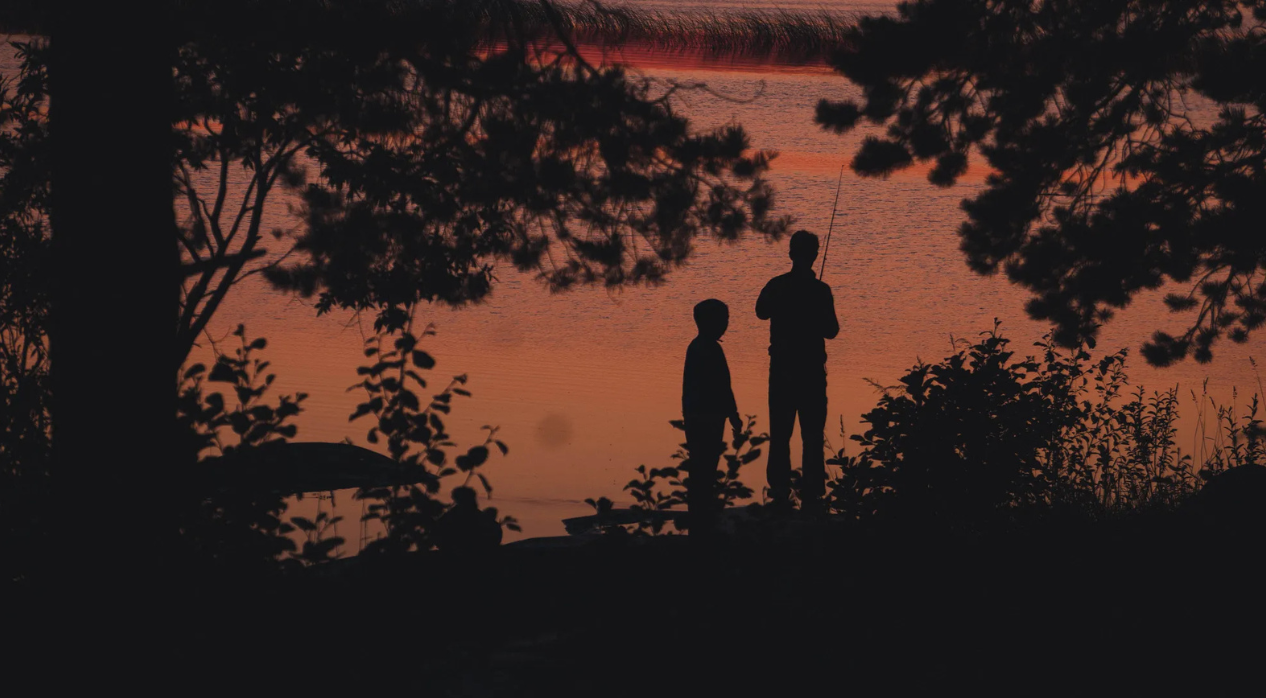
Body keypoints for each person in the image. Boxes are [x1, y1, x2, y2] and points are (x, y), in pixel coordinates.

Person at [756, 230, 839, 511]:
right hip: (811, 373)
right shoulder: (820, 291)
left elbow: (760, 312)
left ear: (791, 254)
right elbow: (832, 331)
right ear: (814, 256)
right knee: (812, 434)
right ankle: (812, 493)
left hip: (782, 371)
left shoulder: (777, 285)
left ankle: (780, 491)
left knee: (780, 433)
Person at [682, 298, 742, 534]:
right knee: (705, 464)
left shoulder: (696, 347)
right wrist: (733, 414)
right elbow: (723, 385)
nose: (725, 325)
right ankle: (702, 514)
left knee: (700, 464)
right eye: (722, 320)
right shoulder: (709, 349)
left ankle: (699, 512)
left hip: (695, 414)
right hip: (707, 415)